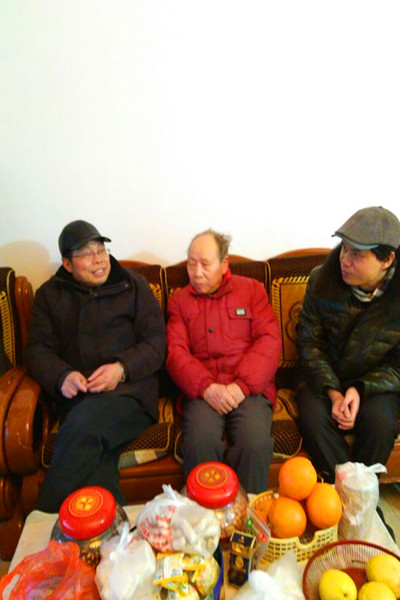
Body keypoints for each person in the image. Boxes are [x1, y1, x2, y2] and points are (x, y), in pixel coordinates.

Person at [24, 220, 166, 512]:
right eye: (86, 254)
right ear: (67, 264)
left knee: (83, 425)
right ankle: (115, 532)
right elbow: (37, 350)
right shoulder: (49, 295)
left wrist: (121, 369)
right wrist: (62, 376)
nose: (99, 260)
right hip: (80, 397)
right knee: (98, 469)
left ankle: (42, 519)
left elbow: (157, 342)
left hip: (130, 395)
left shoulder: (133, 285)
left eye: (101, 250)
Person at [166, 229, 282, 494]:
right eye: (191, 264)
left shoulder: (252, 291)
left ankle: (248, 512)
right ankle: (203, 514)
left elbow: (269, 341)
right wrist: (207, 388)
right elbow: (176, 353)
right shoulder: (180, 301)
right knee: (200, 442)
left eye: (205, 264)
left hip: (250, 390)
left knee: (254, 442)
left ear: (224, 264)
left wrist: (242, 386)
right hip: (202, 391)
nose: (196, 272)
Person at [296, 206, 400, 483]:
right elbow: (309, 343)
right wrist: (334, 393)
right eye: (344, 248)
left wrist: (360, 389)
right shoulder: (321, 279)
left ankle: (360, 493)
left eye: (357, 254)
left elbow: (397, 365)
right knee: (313, 420)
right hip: (322, 378)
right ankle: (346, 492)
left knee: (380, 422)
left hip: (375, 383)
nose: (345, 260)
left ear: (387, 260)